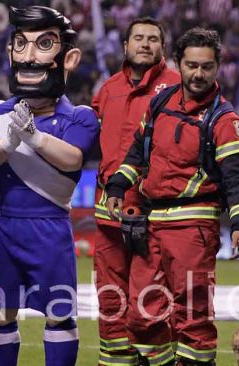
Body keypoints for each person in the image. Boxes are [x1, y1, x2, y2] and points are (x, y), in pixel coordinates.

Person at [105, 27, 239, 366]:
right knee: (142, 315)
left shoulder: (225, 120)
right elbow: (137, 155)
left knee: (193, 317)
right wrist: (116, 186)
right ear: (178, 64)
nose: (198, 74)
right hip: (151, 221)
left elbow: (238, 179)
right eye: (191, 65)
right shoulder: (160, 102)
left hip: (194, 226)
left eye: (206, 66)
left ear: (218, 68)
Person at [0, 6, 98, 366]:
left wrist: (32, 137)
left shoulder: (80, 116)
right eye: (20, 44)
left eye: (43, 44)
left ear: (68, 58)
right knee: (0, 313)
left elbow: (72, 158)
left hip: (51, 227)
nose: (29, 56)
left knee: (59, 313)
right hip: (7, 228)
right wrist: (9, 143)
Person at [91, 16, 180, 365]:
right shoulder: (108, 88)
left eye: (153, 38)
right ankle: (116, 361)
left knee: (151, 302)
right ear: (125, 45)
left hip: (153, 214)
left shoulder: (176, 86)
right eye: (138, 38)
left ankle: (158, 360)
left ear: (162, 47)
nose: (145, 43)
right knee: (110, 299)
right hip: (108, 213)